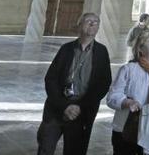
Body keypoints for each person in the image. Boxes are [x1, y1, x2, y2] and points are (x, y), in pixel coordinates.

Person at [37, 12, 112, 155]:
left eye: (96, 22)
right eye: (89, 21)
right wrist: (64, 106)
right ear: (79, 25)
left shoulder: (101, 51)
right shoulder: (66, 49)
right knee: (45, 146)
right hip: (57, 107)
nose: (92, 24)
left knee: (75, 150)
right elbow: (50, 79)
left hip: (82, 111)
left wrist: (79, 106)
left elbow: (103, 83)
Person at [107, 29, 149, 155]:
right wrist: (127, 102)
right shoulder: (129, 69)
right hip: (127, 127)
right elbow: (112, 97)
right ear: (140, 49)